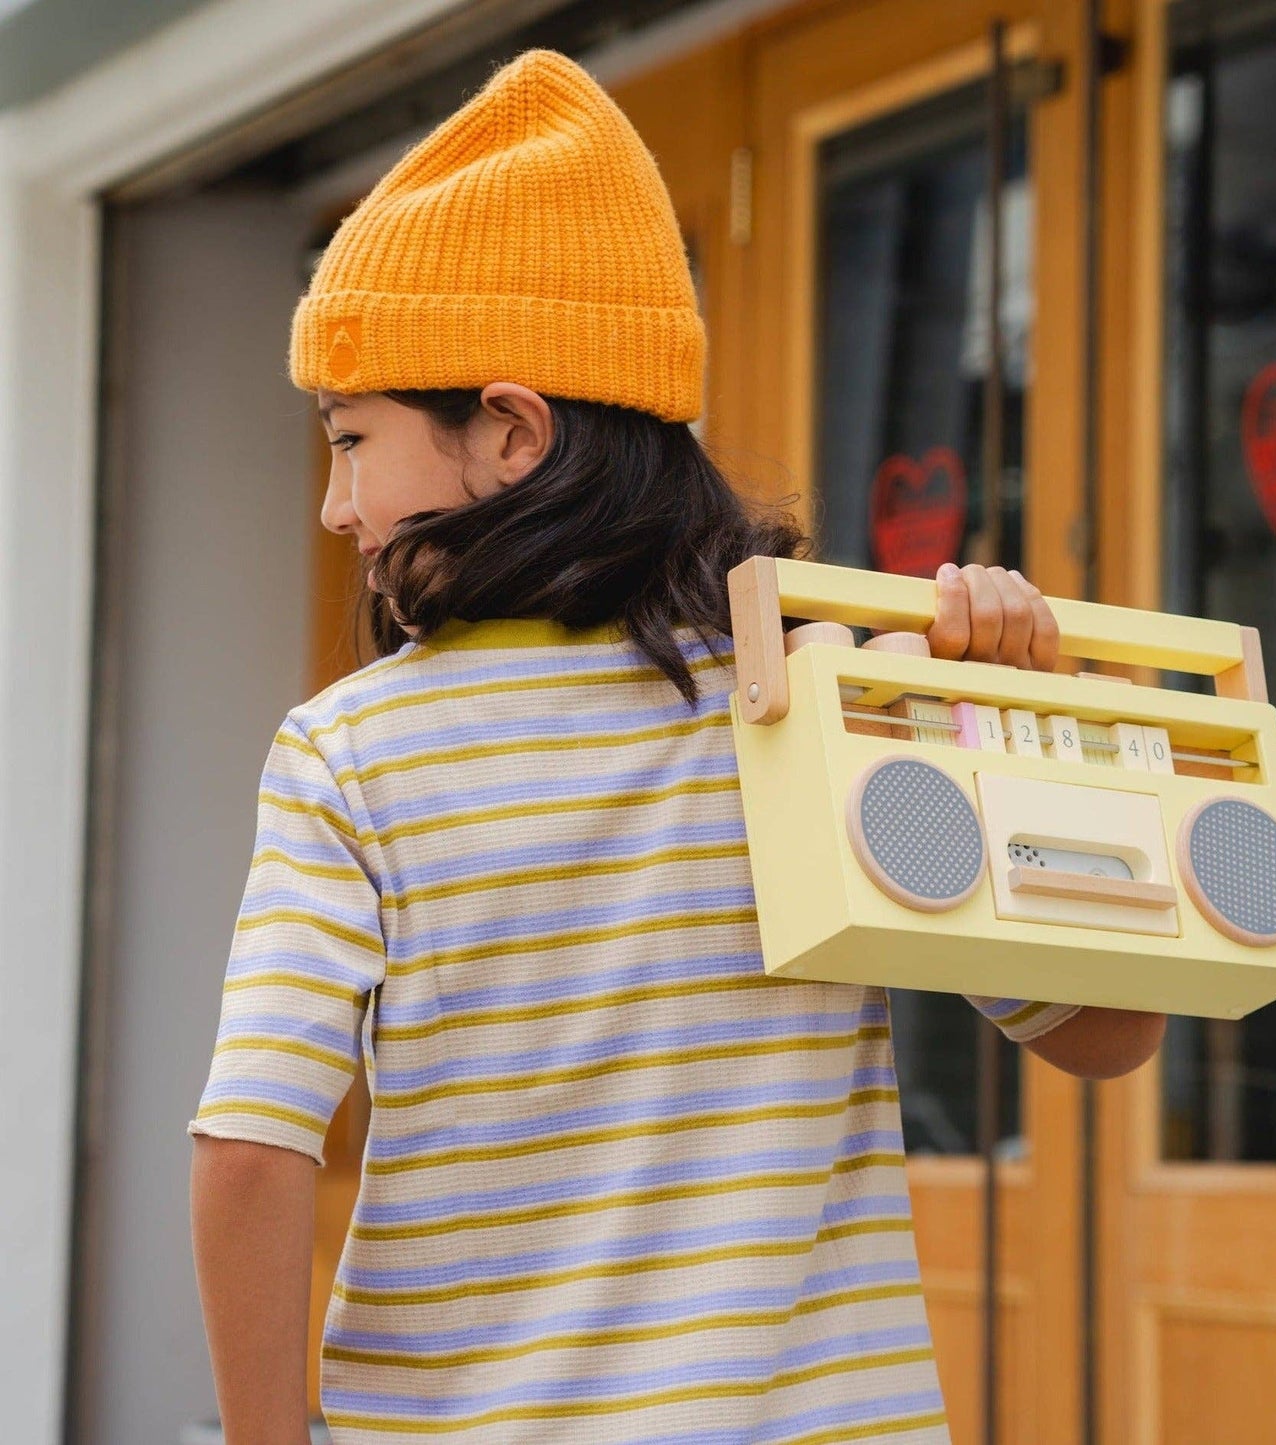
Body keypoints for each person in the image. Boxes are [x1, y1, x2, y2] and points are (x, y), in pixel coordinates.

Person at [188, 48, 1165, 1445]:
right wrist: (1006, 736)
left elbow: (251, 1146)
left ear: (510, 429)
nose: (339, 507)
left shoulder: (354, 752)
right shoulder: (829, 692)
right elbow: (1108, 1040)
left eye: (353, 440)